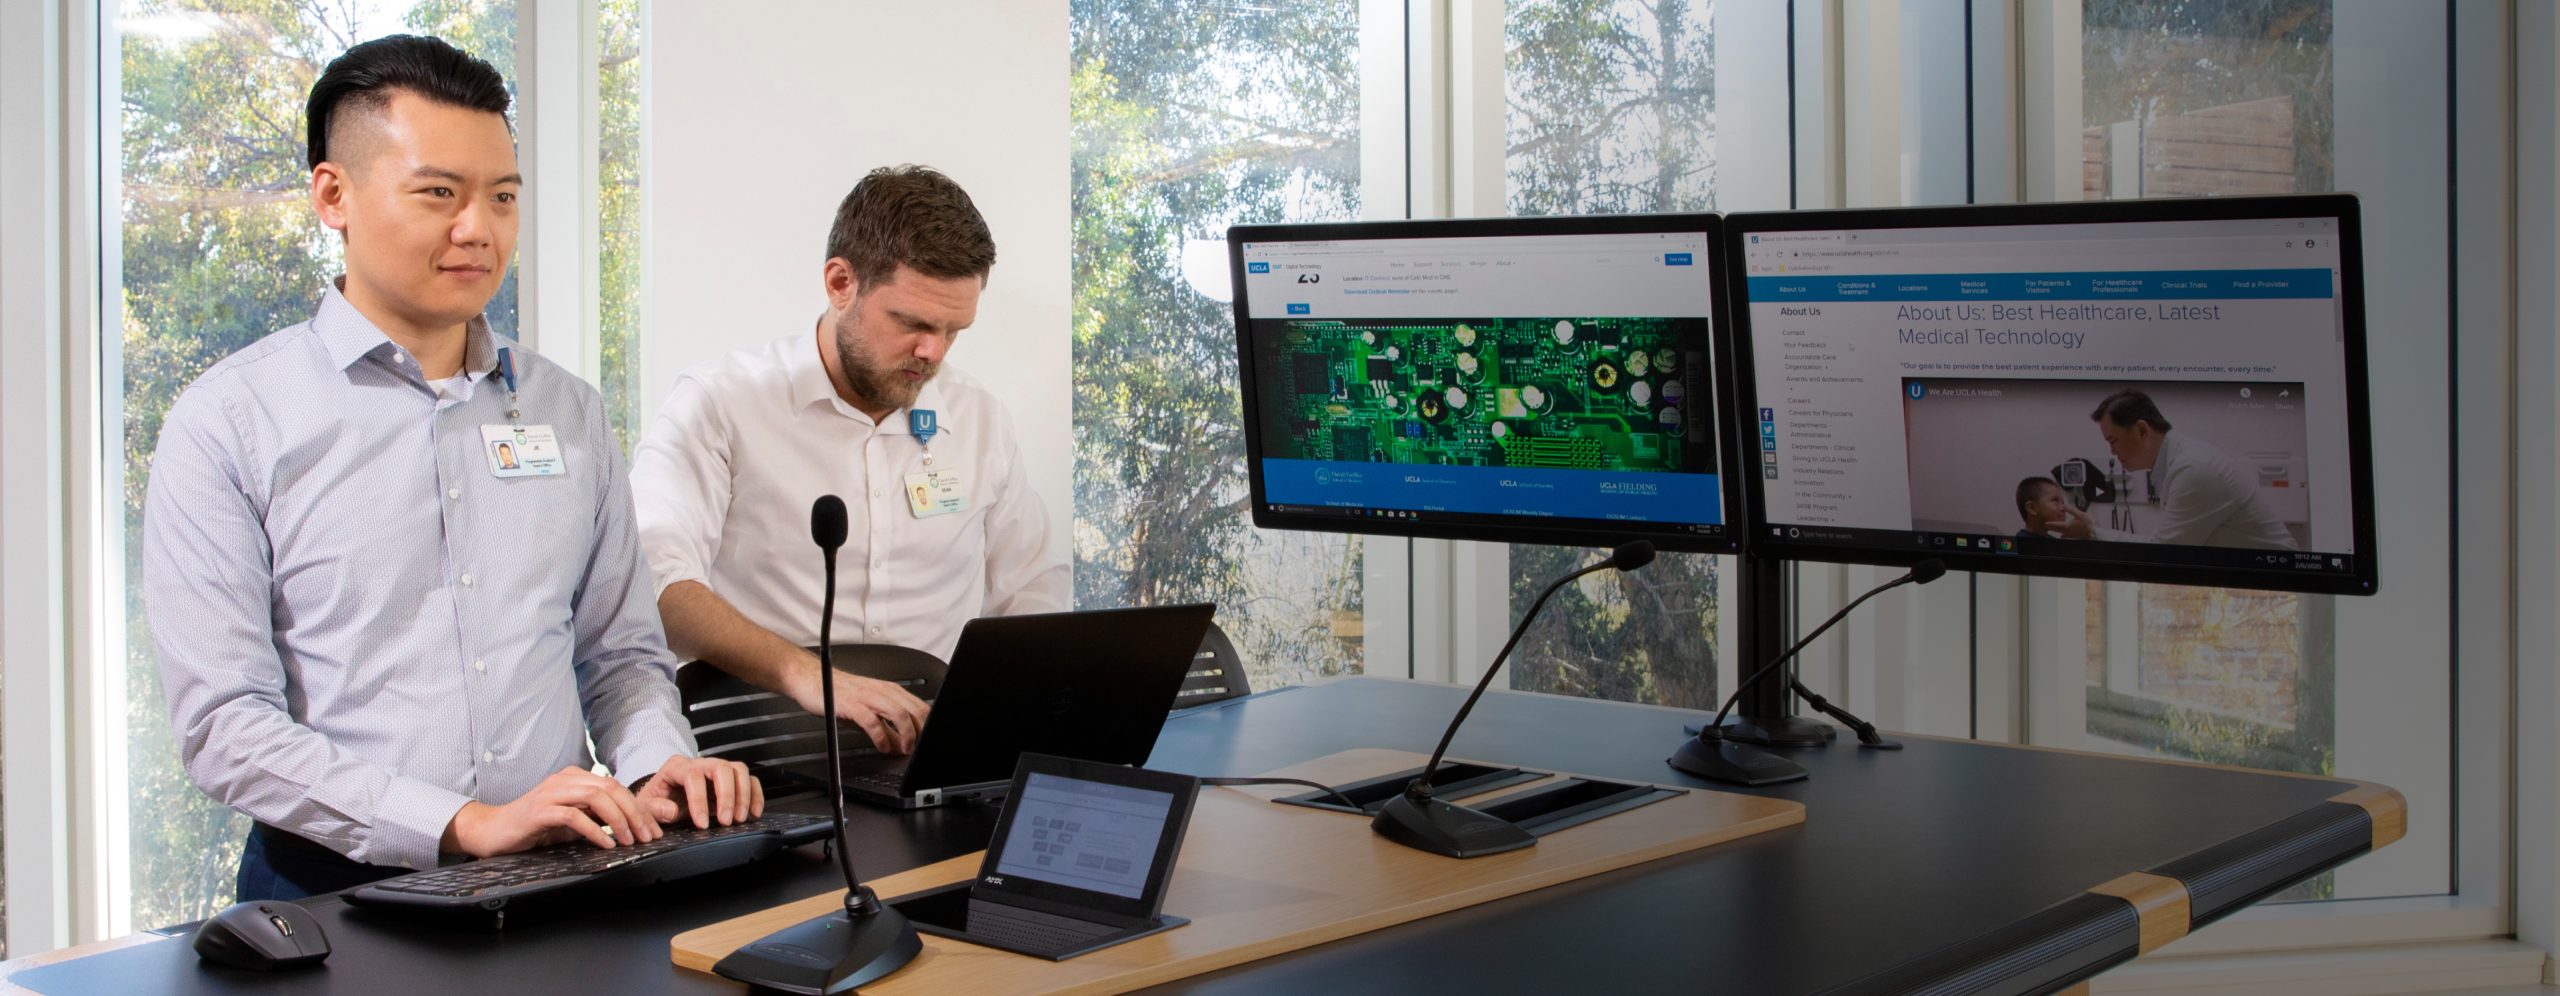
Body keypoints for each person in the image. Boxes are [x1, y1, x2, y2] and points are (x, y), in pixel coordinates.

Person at [144, 35, 760, 903]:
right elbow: (224, 726)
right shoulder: (230, 422)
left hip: (559, 875)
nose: (479, 229)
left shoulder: (568, 410)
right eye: (439, 193)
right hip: (332, 894)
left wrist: (659, 763)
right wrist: (460, 823)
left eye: (502, 196)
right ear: (333, 195)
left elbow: (619, 652)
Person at [632, 165, 1069, 755]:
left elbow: (1031, 589)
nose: (933, 352)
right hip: (765, 761)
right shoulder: (719, 404)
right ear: (841, 283)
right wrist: (805, 675)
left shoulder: (979, 418)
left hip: (930, 757)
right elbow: (655, 582)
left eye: (953, 330)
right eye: (913, 323)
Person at [2050, 388, 2298, 550]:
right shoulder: (2174, 463)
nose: (2112, 453)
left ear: (2142, 430)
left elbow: (2164, 551)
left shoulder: (2193, 469)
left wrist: (2092, 532)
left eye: (2113, 441)